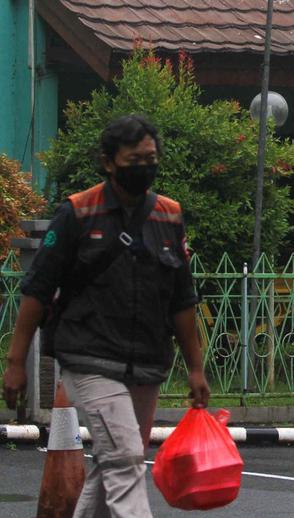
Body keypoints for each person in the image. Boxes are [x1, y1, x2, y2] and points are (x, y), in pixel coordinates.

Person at [3, 114, 209, 517]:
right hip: (89, 357)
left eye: (150, 158)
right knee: (127, 456)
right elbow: (37, 289)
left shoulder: (168, 216)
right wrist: (15, 362)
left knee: (115, 460)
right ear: (109, 162)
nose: (144, 167)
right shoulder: (78, 213)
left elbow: (182, 299)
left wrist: (196, 368)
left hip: (147, 360)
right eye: (134, 160)